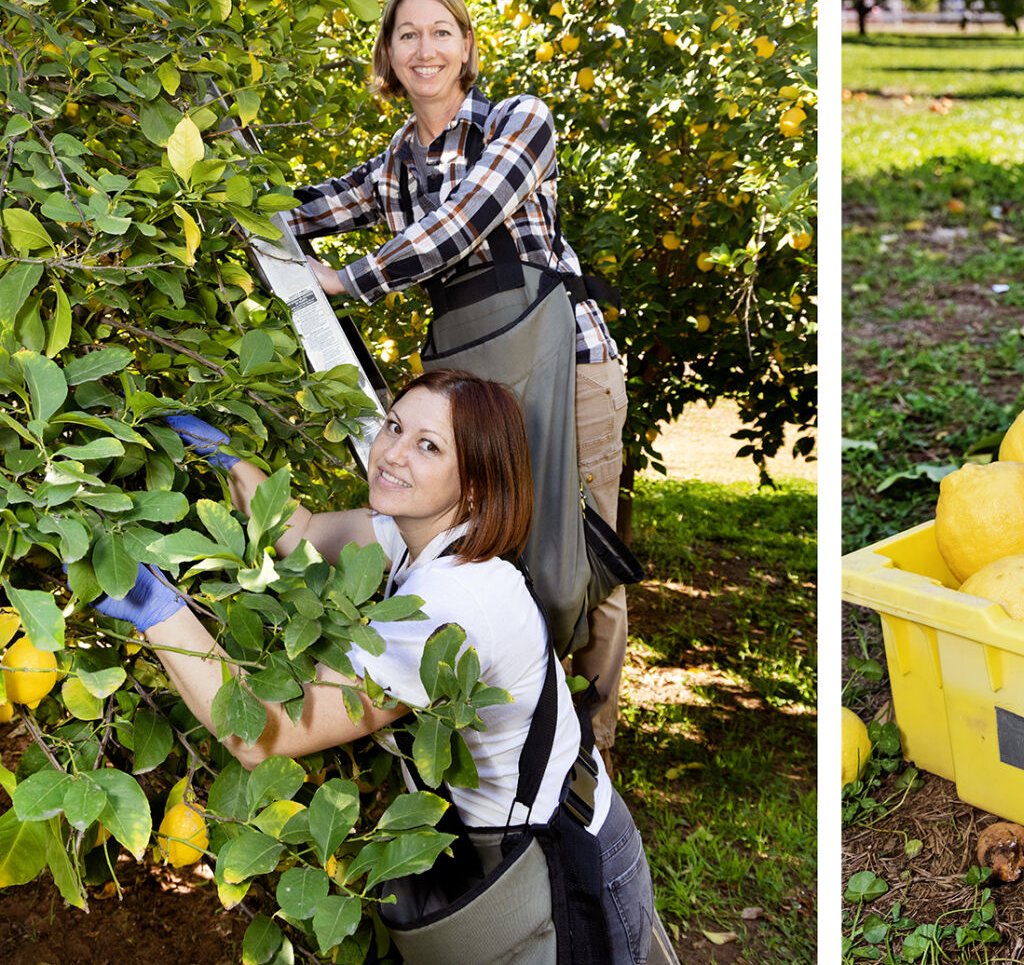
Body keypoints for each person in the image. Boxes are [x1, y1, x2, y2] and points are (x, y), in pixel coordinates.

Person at [96, 371, 675, 964]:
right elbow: (302, 532)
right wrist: (224, 458)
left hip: (563, 864)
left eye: (430, 446)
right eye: (395, 426)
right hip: (541, 835)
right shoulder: (427, 534)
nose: (393, 453)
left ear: (476, 481)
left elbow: (261, 729)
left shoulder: (448, 609)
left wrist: (154, 608)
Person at [276, 0, 631, 766]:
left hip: (570, 368)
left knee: (583, 560)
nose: (425, 48)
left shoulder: (520, 120)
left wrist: (346, 278)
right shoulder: (392, 166)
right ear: (389, 56)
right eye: (407, 34)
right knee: (491, 552)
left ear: (467, 46)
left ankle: (593, 747)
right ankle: (502, 729)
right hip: (479, 387)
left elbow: (459, 224)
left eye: (441, 31)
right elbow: (302, 209)